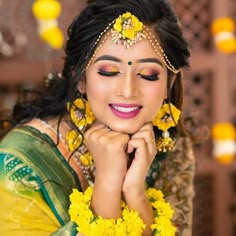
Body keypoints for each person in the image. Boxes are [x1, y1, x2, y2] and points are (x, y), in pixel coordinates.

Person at [0, 0, 195, 235]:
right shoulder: (18, 165)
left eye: (148, 74)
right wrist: (108, 183)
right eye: (108, 71)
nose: (127, 90)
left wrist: (135, 192)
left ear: (169, 84)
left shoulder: (172, 148)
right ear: (80, 78)